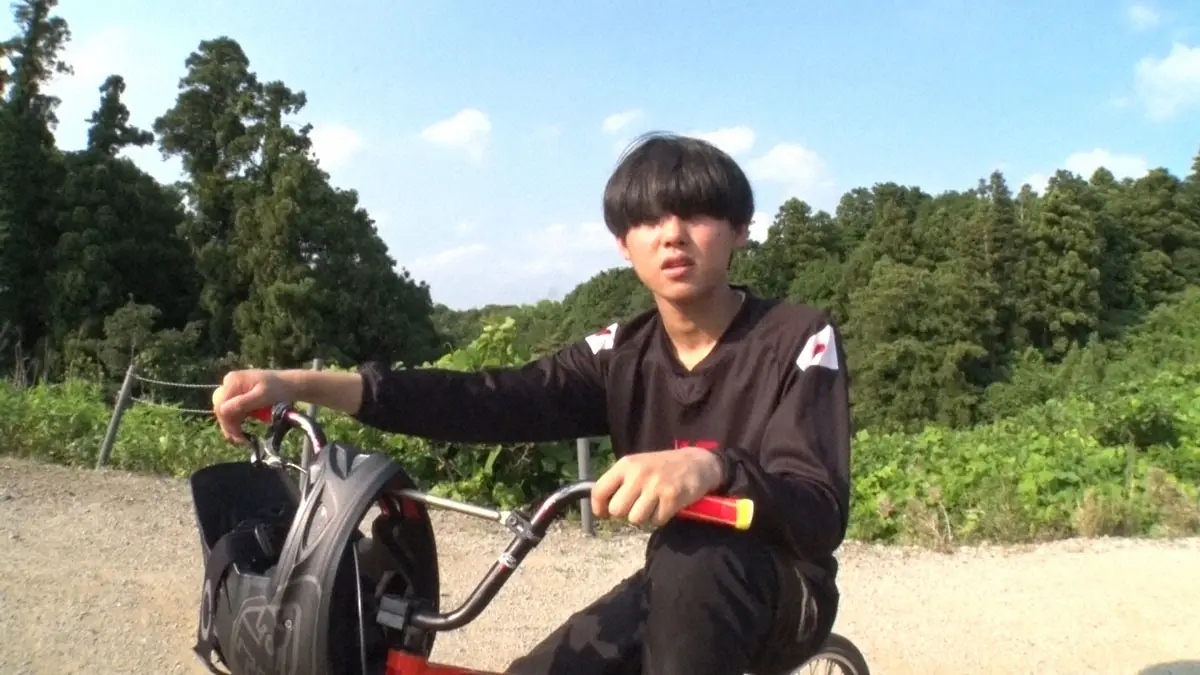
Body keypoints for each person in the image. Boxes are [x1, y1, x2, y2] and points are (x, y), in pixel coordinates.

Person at [211, 132, 852, 675]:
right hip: (675, 581)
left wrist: (714, 467)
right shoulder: (620, 352)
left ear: (740, 230)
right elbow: (488, 399)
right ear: (623, 244)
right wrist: (301, 385)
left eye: (699, 215)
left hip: (784, 590)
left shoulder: (799, 338)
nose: (673, 236)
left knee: (698, 568)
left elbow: (819, 508)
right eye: (649, 220)